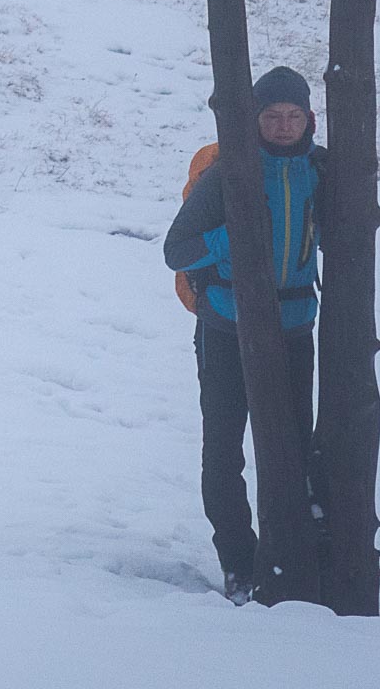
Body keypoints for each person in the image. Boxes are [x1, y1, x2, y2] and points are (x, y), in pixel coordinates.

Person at [163, 66, 326, 605]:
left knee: (294, 446)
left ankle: (292, 556)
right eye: (272, 116)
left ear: (309, 120)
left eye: (293, 116)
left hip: (294, 328)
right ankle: (238, 563)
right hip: (225, 327)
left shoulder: (320, 171)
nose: (282, 126)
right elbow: (176, 251)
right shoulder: (227, 173)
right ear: (254, 120)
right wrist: (229, 239)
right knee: (224, 448)